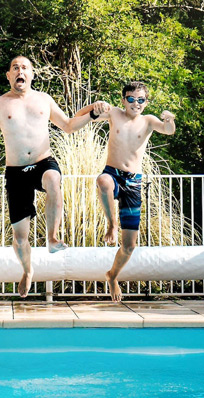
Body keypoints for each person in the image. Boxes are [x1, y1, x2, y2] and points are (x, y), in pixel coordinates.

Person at [0, 56, 95, 298]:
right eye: (15, 68)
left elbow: (68, 125)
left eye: (24, 68)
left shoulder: (44, 100)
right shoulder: (0, 104)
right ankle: (27, 270)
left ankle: (53, 238)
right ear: (9, 76)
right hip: (16, 172)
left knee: (53, 180)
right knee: (20, 239)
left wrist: (93, 114)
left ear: (32, 74)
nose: (20, 71)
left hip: (43, 162)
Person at [76, 81, 176, 302]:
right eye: (131, 99)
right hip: (112, 172)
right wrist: (95, 104)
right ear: (123, 100)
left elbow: (168, 131)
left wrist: (169, 118)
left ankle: (112, 276)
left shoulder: (148, 121)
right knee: (103, 181)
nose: (135, 103)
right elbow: (79, 115)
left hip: (134, 183)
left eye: (140, 100)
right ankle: (112, 225)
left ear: (146, 102)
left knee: (129, 246)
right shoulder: (114, 114)